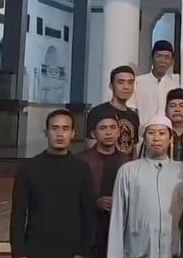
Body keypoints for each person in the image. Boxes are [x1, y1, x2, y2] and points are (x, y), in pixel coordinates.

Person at [10, 109, 95, 258]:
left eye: (65, 129)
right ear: (46, 132)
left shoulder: (82, 169)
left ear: (73, 134)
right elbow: (18, 214)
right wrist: (18, 253)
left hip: (71, 250)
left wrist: (84, 252)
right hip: (36, 249)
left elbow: (88, 214)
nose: (60, 134)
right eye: (55, 128)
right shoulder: (28, 168)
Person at [108, 115, 183, 258]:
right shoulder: (128, 171)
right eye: (151, 133)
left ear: (170, 139)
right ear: (144, 138)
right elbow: (117, 218)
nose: (156, 138)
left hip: (172, 252)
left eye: (162, 133)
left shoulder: (182, 171)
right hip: (137, 252)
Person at [80, 107, 128, 258]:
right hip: (90, 231)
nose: (108, 132)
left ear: (118, 132)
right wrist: (96, 202)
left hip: (119, 229)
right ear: (94, 134)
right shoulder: (82, 162)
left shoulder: (128, 163)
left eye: (112, 127)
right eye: (103, 128)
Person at [139, 88, 183, 170]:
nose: (177, 109)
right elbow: (141, 166)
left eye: (182, 106)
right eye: (172, 106)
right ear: (166, 110)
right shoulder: (155, 136)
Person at [87, 65, 140, 157]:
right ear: (111, 86)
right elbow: (91, 149)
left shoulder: (134, 116)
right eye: (121, 82)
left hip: (127, 165)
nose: (126, 87)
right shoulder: (97, 112)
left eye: (130, 83)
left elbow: (133, 149)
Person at [133, 40, 181, 127]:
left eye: (167, 57)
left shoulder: (177, 82)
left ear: (172, 61)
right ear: (152, 58)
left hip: (169, 132)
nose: (163, 60)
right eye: (159, 56)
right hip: (144, 132)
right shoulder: (138, 82)